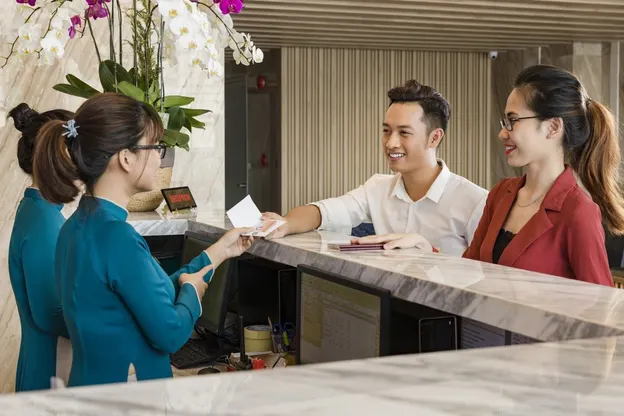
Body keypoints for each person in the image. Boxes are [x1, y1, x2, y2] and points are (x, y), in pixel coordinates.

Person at [32, 93, 254, 387]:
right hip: (129, 398)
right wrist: (191, 292)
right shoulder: (117, 237)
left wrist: (221, 251)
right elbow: (171, 333)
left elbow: (147, 293)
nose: (160, 157)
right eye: (155, 146)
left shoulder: (75, 226)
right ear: (126, 158)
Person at [358, 65, 622, 287]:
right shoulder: (501, 194)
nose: (502, 133)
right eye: (504, 122)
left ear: (553, 127)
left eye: (513, 121)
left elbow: (599, 307)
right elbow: (472, 273)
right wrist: (427, 250)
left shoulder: (577, 211)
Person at [263, 80, 488, 256]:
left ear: (434, 138)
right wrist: (285, 224)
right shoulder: (377, 187)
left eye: (404, 133)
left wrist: (429, 251)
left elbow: (487, 275)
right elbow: (326, 212)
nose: (391, 143)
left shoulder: (476, 201)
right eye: (387, 131)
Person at [7, 103, 74, 392]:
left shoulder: (39, 210)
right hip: (50, 368)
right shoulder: (43, 221)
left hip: (46, 362)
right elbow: (51, 314)